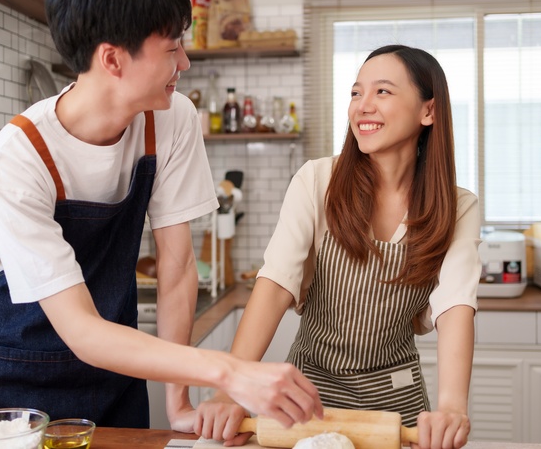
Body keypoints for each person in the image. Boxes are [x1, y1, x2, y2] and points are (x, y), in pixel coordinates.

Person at [0, 0, 322, 432]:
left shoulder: (172, 119)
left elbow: (175, 270)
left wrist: (179, 402)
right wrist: (233, 372)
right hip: (18, 367)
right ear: (112, 59)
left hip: (117, 365)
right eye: (172, 47)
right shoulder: (18, 156)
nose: (186, 63)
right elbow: (83, 331)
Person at [195, 45, 481, 449]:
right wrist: (231, 390)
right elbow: (276, 284)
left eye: (382, 92)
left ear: (428, 111)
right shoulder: (317, 181)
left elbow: (455, 305)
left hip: (397, 405)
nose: (362, 106)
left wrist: (452, 406)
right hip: (304, 401)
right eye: (355, 93)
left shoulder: (457, 207)